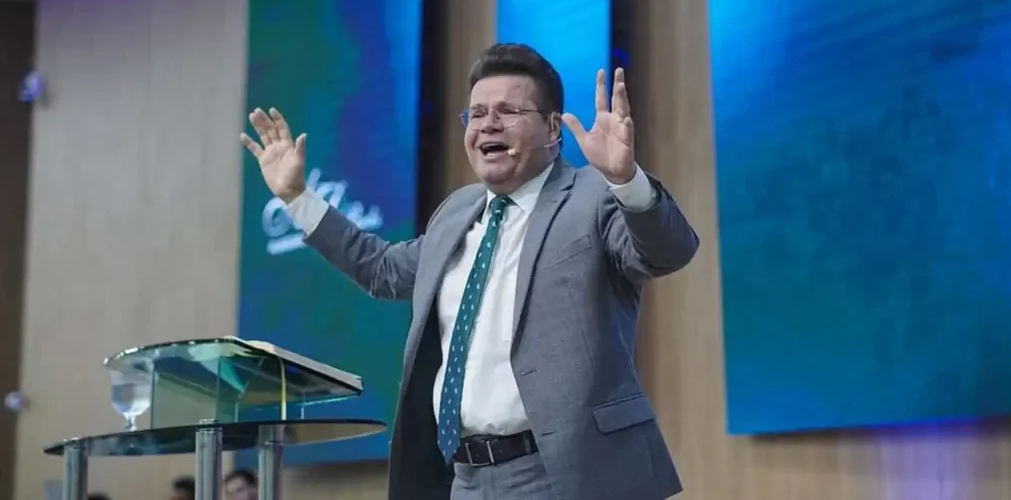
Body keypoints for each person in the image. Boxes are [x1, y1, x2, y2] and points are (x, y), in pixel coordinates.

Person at [241, 44, 699, 500]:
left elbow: (666, 252)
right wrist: (297, 198)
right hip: (464, 478)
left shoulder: (592, 195)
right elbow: (381, 270)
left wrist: (626, 180)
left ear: (553, 127)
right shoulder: (456, 212)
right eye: (477, 113)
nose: (487, 125)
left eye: (508, 111)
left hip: (567, 472)